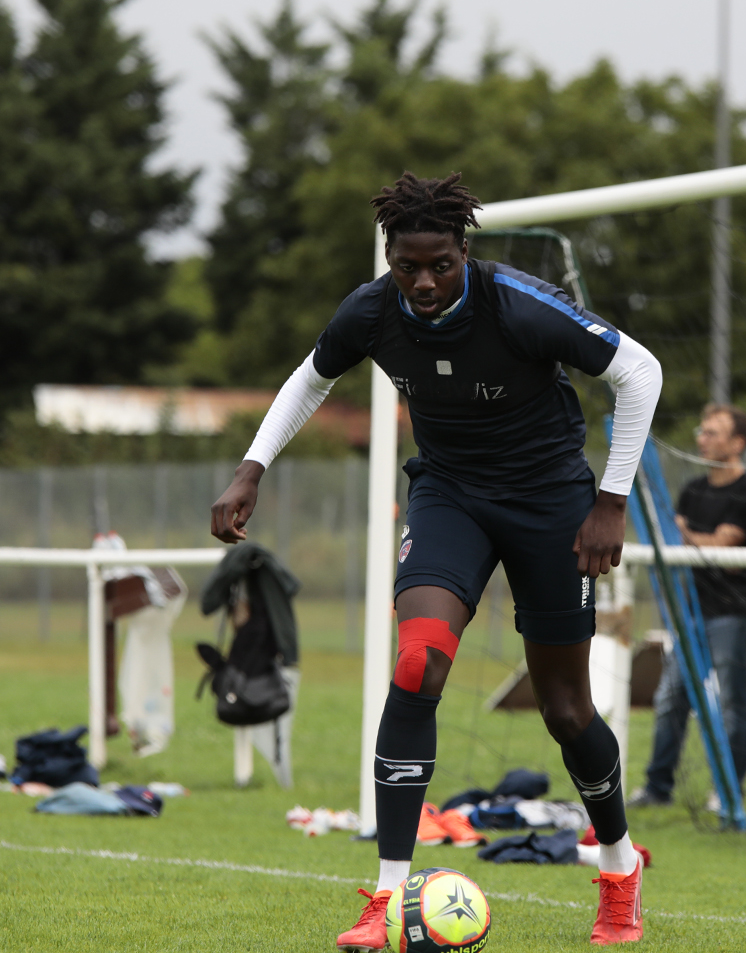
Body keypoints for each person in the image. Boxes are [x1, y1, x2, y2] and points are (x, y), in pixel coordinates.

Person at [210, 172, 662, 948]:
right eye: (406, 265)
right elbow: (310, 379)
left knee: (566, 711)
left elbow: (639, 370)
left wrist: (610, 501)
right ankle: (385, 900)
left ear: (464, 254)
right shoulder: (371, 309)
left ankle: (620, 870)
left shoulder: (518, 303)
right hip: (450, 495)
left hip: (552, 503)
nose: (422, 281)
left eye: (440, 265)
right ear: (389, 258)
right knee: (418, 662)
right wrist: (252, 467)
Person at [628, 404, 746, 808]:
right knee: (671, 698)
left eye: (713, 432)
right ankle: (658, 788)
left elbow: (719, 548)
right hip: (690, 612)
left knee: (730, 703)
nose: (702, 439)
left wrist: (689, 533)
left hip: (734, 614)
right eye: (701, 430)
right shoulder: (693, 489)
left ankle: (728, 793)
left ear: (737, 443)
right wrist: (690, 535)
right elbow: (676, 537)